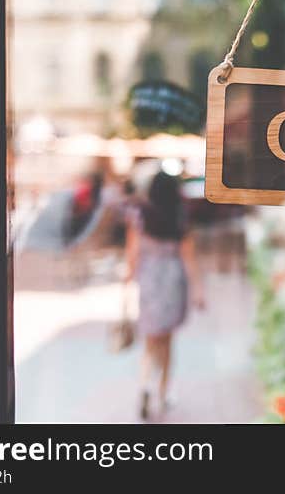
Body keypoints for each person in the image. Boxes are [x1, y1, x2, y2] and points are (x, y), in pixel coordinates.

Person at [125, 170, 205, 420]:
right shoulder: (180, 218)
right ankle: (163, 392)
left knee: (150, 340)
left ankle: (145, 384)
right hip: (172, 281)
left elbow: (133, 253)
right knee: (167, 341)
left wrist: (126, 283)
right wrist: (198, 290)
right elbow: (189, 259)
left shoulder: (140, 216)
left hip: (149, 280)